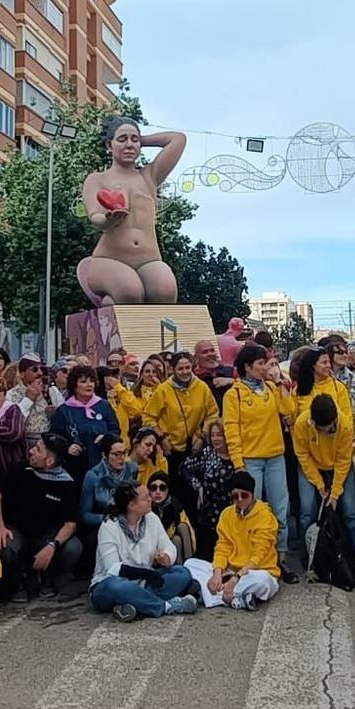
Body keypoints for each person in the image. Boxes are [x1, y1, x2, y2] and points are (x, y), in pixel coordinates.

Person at [78, 116, 188, 305]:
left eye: (134, 140)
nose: (129, 145)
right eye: (122, 140)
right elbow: (95, 216)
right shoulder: (97, 179)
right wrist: (109, 220)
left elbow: (178, 139)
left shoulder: (149, 177)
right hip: (110, 258)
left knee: (165, 290)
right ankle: (107, 300)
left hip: (148, 260)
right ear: (108, 145)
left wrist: (141, 140)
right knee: (130, 291)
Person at [219, 344, 297, 577]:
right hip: (250, 460)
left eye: (266, 363)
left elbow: (288, 411)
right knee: (252, 510)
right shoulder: (234, 394)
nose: (265, 368)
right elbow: (231, 429)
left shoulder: (272, 388)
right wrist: (238, 464)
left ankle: (279, 559)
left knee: (280, 509)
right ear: (247, 367)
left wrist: (282, 385)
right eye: (260, 364)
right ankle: (252, 560)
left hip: (275, 457)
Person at [91, 481, 200, 621]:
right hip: (110, 587)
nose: (150, 499)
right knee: (115, 585)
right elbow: (112, 569)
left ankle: (134, 606)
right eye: (145, 497)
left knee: (182, 572)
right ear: (131, 505)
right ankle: (166, 606)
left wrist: (166, 557)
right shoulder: (109, 526)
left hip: (143, 583)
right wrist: (146, 573)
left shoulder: (151, 519)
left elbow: (168, 546)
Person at [0, 433, 82, 601]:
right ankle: (17, 584)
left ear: (50, 461)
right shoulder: (20, 469)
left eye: (37, 450)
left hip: (46, 535)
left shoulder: (66, 483)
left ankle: (48, 578)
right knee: (4, 546)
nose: (30, 451)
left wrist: (53, 545)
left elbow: (70, 524)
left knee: (73, 548)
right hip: (17, 530)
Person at [292, 392, 355, 577]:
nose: (325, 431)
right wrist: (319, 483)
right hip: (312, 465)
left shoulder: (345, 425)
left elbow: (343, 461)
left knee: (350, 511)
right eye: (320, 428)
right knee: (307, 510)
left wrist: (334, 494)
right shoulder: (301, 423)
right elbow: (302, 456)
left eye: (329, 427)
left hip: (338, 466)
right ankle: (310, 564)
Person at [207, 471, 280, 611]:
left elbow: (259, 554)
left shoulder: (264, 515)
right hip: (229, 571)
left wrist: (236, 578)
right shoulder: (226, 514)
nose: (240, 500)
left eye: (244, 495)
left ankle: (217, 596)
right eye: (235, 496)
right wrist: (217, 574)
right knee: (191, 564)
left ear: (252, 494)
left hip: (256, 571)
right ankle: (236, 598)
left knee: (264, 582)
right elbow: (222, 547)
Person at [144, 350, 215, 478]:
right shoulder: (163, 390)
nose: (185, 372)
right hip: (169, 449)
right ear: (172, 369)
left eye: (187, 367)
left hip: (194, 447)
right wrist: (162, 438)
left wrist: (201, 437)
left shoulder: (202, 387)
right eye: (180, 368)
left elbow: (212, 414)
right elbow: (148, 416)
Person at [182, 418, 239, 562]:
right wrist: (199, 486)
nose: (215, 438)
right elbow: (184, 468)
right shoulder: (208, 453)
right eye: (213, 435)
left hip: (233, 515)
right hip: (209, 515)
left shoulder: (237, 455)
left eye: (219, 435)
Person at [80, 435, 133, 556]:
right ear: (105, 455)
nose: (122, 458)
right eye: (117, 454)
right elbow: (84, 515)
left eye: (124, 453)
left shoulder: (131, 470)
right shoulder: (93, 476)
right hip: (102, 524)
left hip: (128, 521)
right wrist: (107, 519)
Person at [6, 355, 63, 446]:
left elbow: (63, 422)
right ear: (22, 373)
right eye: (34, 369)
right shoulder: (11, 395)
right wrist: (28, 399)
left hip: (47, 445)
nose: (40, 373)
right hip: (21, 445)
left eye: (42, 369)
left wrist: (55, 414)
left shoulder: (52, 392)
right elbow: (13, 424)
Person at [145, 472, 196, 564]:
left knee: (181, 530)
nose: (158, 492)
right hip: (153, 547)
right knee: (176, 540)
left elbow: (189, 531)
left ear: (168, 490)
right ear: (148, 490)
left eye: (162, 488)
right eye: (153, 488)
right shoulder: (145, 506)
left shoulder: (175, 505)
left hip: (173, 545)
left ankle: (188, 564)